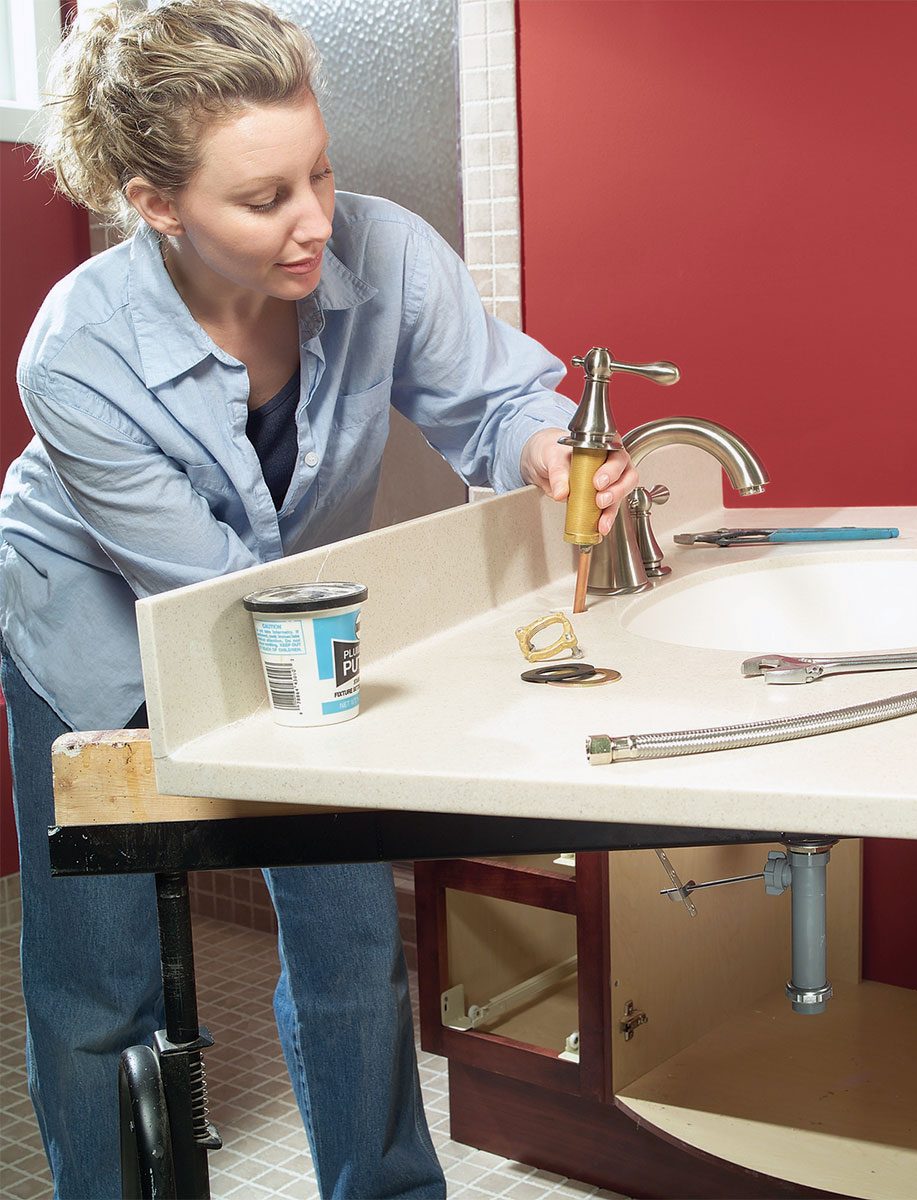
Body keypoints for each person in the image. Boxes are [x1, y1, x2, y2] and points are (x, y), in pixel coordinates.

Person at [0, 1, 637, 1195]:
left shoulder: (388, 252)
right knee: (100, 980)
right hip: (94, 624)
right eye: (264, 198)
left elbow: (497, 399)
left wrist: (548, 447)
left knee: (350, 938)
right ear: (156, 203)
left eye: (321, 173)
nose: (317, 222)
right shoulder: (76, 353)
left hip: (292, 612)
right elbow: (210, 590)